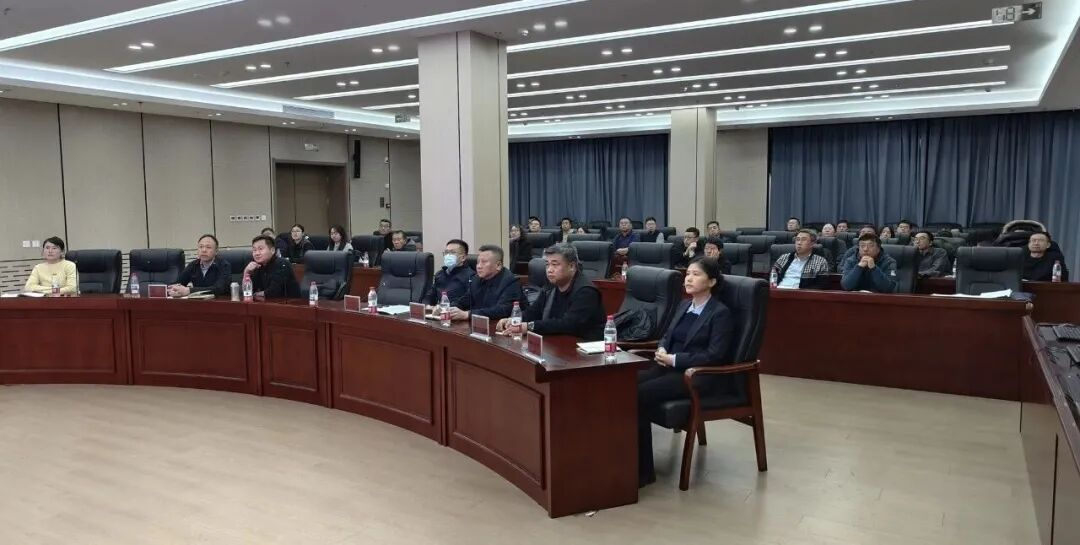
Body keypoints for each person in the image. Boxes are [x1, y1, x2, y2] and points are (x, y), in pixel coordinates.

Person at [637, 257, 733, 487]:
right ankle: (624, 457)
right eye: (687, 273)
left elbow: (715, 355)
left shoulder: (720, 313)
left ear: (711, 281)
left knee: (637, 395)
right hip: (667, 366)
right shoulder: (683, 305)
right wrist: (662, 348)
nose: (688, 278)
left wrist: (675, 359)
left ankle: (642, 471)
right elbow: (667, 335)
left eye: (696, 274)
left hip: (694, 375)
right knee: (621, 384)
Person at [495, 244, 605, 340]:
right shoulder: (550, 286)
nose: (549, 270)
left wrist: (529, 327)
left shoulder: (586, 291)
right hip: (557, 343)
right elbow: (533, 312)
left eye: (555, 264)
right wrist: (513, 320)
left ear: (572, 266)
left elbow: (568, 324)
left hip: (583, 348)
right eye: (547, 264)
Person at [448, 245, 523, 321]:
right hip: (480, 324)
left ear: (498, 265)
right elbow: (464, 300)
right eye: (478, 262)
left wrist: (468, 314)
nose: (478, 266)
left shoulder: (510, 281)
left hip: (504, 325)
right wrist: (450, 309)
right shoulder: (476, 279)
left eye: (484, 262)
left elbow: (502, 310)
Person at [425, 239, 475, 307]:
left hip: (457, 311)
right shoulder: (439, 274)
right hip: (439, 311)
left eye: (452, 252)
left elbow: (467, 300)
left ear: (463, 257)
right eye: (446, 252)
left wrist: (444, 308)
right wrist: (427, 305)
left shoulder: (471, 276)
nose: (448, 255)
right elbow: (430, 296)